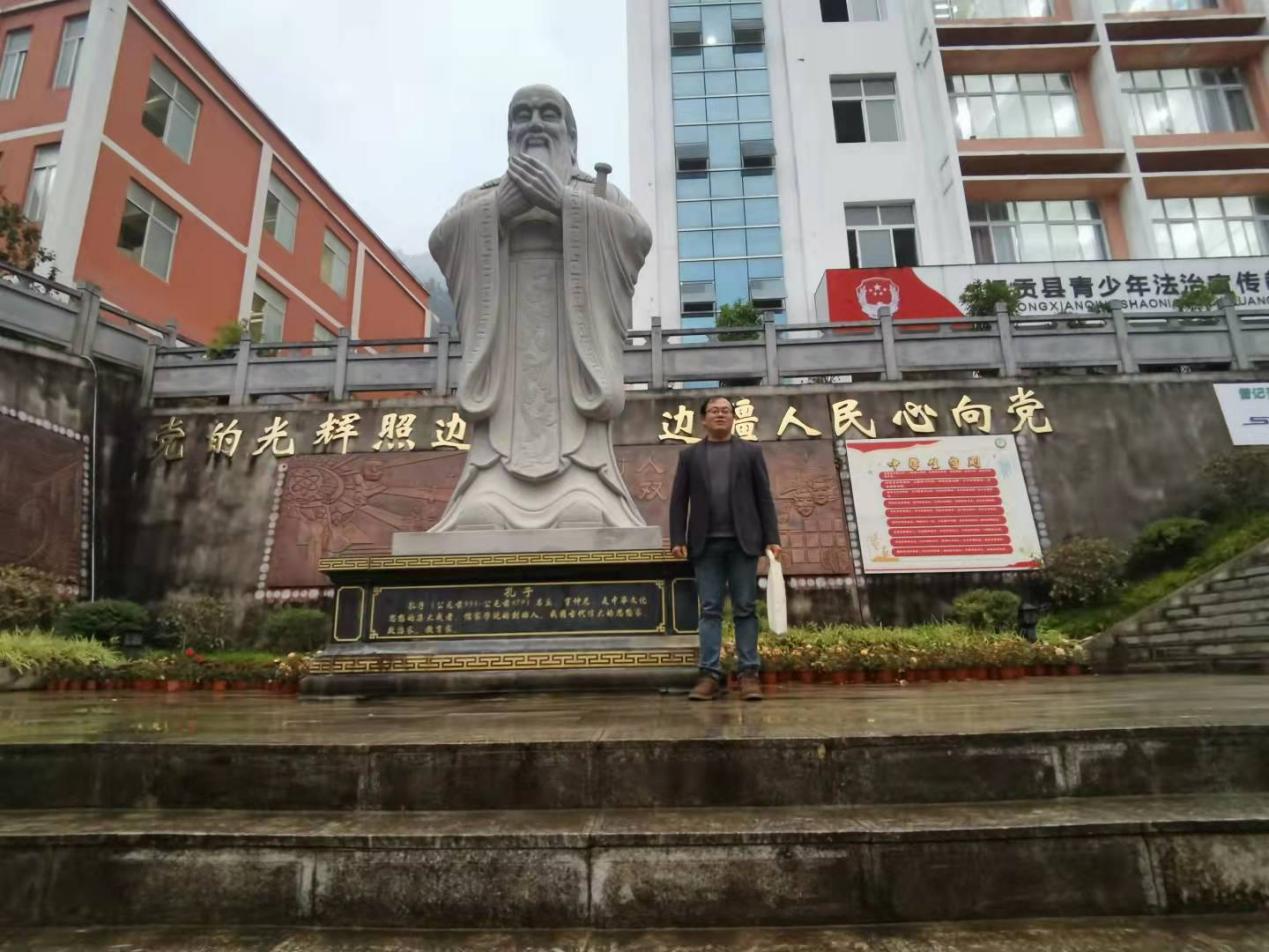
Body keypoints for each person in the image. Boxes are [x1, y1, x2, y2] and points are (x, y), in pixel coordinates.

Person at [426, 84, 653, 532]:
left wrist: (567, 205)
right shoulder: (481, 197)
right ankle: (490, 486)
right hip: (508, 337)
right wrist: (495, 212)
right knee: (481, 514)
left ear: (571, 136)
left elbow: (636, 237)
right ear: (509, 132)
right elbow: (442, 241)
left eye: (547, 114)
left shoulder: (597, 193)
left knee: (582, 510)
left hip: (570, 341)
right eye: (521, 115)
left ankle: (583, 482)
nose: (533, 124)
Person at [669, 396, 782, 701]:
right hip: (705, 545)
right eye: (714, 411)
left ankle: (749, 675)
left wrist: (772, 537)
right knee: (710, 610)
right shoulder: (690, 456)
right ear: (703, 419)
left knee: (745, 608)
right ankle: (709, 675)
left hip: (743, 543)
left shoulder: (750, 453)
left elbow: (763, 497)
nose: (720, 415)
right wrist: (677, 537)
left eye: (725, 411)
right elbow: (679, 499)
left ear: (733, 417)